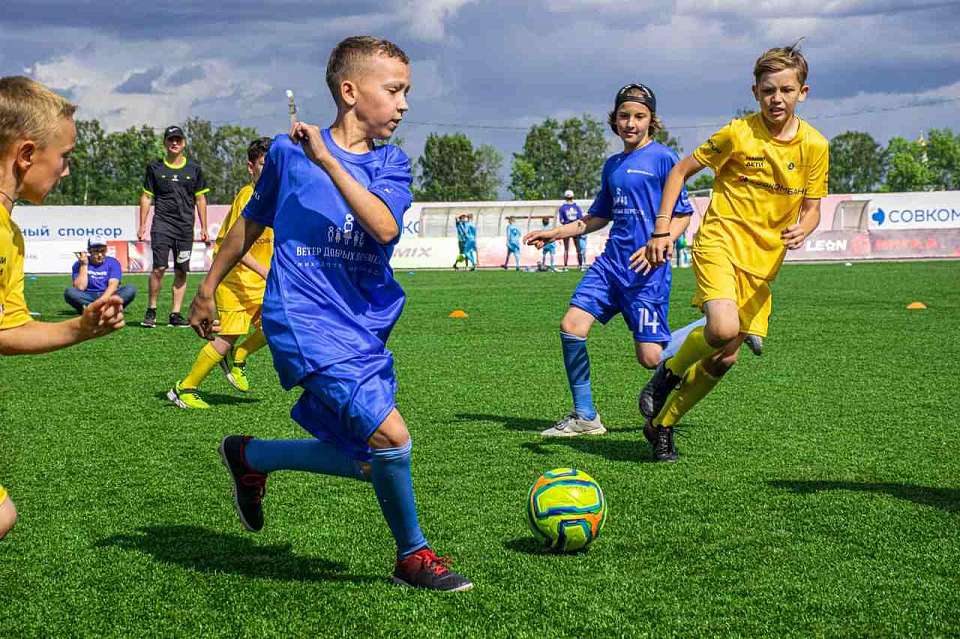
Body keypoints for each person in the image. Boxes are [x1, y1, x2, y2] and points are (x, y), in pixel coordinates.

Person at [188, 36, 471, 591]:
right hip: (300, 315)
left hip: (362, 323)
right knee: (392, 438)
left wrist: (328, 160)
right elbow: (252, 221)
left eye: (405, 92)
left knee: (372, 461)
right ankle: (413, 557)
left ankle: (250, 456)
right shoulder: (288, 153)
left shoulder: (392, 163)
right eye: (393, 91)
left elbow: (384, 226)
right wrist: (208, 286)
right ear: (349, 91)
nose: (404, 104)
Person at [640, 44, 828, 462]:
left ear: (803, 92)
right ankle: (666, 375)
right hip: (720, 242)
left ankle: (662, 425)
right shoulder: (737, 133)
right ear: (756, 92)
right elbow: (680, 171)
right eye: (768, 91)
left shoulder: (815, 146)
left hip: (763, 264)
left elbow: (813, 210)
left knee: (726, 358)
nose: (776, 99)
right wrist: (661, 228)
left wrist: (804, 229)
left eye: (786, 90)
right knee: (722, 329)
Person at [524, 83, 693, 438]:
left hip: (645, 271)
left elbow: (682, 214)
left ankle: (713, 331)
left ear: (651, 121)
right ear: (614, 121)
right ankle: (585, 416)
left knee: (650, 358)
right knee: (571, 326)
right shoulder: (612, 165)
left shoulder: (664, 159)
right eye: (624, 116)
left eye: (639, 116)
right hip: (610, 266)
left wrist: (662, 242)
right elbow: (598, 217)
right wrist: (556, 233)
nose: (630, 123)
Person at [0, 76, 126, 539]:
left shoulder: (10, 233)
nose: (66, 170)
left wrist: (80, 327)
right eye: (65, 157)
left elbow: (6, 330)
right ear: (27, 154)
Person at [168, 138, 273, 409]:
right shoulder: (249, 196)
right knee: (225, 339)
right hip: (235, 280)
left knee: (280, 325)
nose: (270, 169)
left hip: (260, 283)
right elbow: (233, 245)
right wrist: (265, 270)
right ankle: (185, 389)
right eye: (264, 164)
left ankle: (241, 355)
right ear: (251, 167)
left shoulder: (276, 197)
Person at [138, 125, 209, 328]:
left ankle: (175, 314)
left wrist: (204, 227)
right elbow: (146, 196)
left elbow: (201, 198)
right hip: (162, 224)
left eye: (178, 139)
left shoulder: (194, 169)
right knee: (159, 267)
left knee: (181, 271)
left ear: (184, 143)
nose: (174, 143)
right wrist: (142, 224)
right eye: (171, 140)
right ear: (165, 143)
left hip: (185, 227)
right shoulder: (154, 168)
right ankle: (151, 310)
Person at [64, 237, 137, 313]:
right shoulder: (79, 264)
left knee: (130, 289)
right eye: (96, 251)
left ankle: (92, 309)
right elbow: (80, 287)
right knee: (69, 292)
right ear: (89, 251)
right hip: (88, 295)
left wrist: (101, 301)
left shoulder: (113, 262)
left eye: (103, 251)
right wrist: (84, 265)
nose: (100, 254)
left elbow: (113, 285)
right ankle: (107, 309)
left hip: (108, 295)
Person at [557, 189, 584, 269]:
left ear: (565, 197)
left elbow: (561, 220)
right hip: (575, 228)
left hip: (566, 228)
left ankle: (565, 266)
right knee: (578, 248)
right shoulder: (577, 207)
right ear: (573, 197)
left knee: (566, 248)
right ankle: (580, 266)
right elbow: (580, 219)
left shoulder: (562, 208)